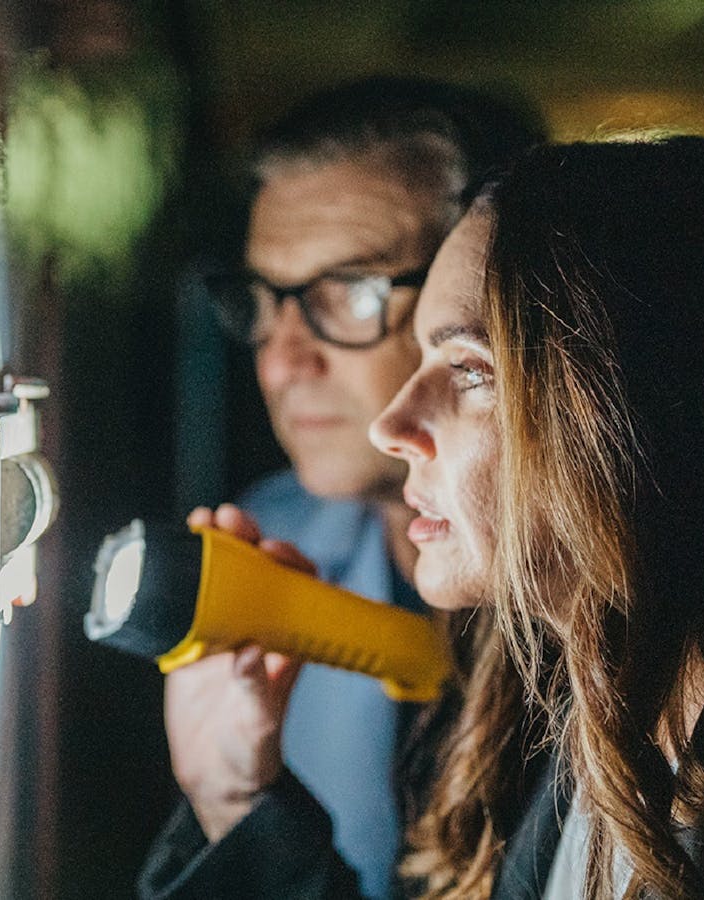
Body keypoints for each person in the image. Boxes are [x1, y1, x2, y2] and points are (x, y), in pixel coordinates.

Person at [144, 134, 704, 898]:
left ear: (651, 410)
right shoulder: (590, 738)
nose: (393, 425)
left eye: (470, 370)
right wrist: (237, 797)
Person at [166, 77, 544, 898]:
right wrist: (239, 810)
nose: (281, 360)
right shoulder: (266, 552)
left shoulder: (633, 609)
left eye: (353, 292)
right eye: (266, 301)